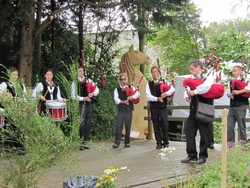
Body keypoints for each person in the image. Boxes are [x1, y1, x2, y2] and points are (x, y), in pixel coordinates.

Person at [181, 60, 214, 164]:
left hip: (204, 108)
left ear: (198, 67)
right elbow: (186, 90)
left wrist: (194, 92)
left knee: (204, 133)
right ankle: (191, 155)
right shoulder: (191, 79)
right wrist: (187, 95)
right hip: (193, 108)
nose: (191, 71)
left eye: (192, 69)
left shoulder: (207, 76)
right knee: (189, 131)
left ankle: (203, 156)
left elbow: (205, 88)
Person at [146, 66, 175, 149]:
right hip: (154, 107)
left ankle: (166, 142)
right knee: (156, 125)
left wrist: (166, 93)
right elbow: (148, 96)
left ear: (158, 73)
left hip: (162, 107)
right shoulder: (149, 84)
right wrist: (157, 98)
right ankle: (158, 143)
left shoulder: (164, 81)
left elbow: (172, 89)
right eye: (153, 72)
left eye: (156, 72)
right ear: (151, 74)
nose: (155, 74)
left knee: (164, 124)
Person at [71, 66, 99, 150]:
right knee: (82, 124)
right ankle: (81, 142)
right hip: (81, 105)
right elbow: (73, 96)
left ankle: (85, 142)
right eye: (79, 71)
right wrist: (83, 98)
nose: (81, 72)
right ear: (77, 72)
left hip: (89, 105)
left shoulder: (89, 80)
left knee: (88, 123)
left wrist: (92, 94)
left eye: (82, 70)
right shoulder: (74, 82)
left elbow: (97, 89)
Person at [0, 67, 27, 151]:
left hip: (18, 110)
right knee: (9, 129)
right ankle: (9, 148)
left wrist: (24, 105)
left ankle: (20, 148)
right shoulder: (4, 85)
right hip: (8, 110)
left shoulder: (21, 85)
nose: (15, 76)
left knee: (19, 128)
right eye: (13, 74)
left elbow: (25, 98)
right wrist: (5, 96)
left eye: (17, 74)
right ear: (9, 75)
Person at [113, 73, 140, 148]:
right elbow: (116, 100)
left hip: (129, 110)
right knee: (119, 126)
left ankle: (127, 142)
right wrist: (123, 102)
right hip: (121, 110)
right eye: (121, 79)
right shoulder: (117, 89)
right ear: (119, 80)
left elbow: (138, 94)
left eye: (124, 79)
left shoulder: (130, 87)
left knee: (128, 126)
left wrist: (132, 97)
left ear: (126, 80)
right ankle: (117, 142)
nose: (123, 81)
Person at [227, 66, 248, 143]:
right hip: (232, 106)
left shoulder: (245, 81)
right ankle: (230, 144)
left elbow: (247, 90)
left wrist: (238, 92)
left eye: (235, 71)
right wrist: (230, 95)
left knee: (241, 126)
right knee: (230, 126)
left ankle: (243, 143)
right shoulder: (231, 81)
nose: (234, 73)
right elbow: (232, 92)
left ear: (240, 71)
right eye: (233, 71)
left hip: (241, 105)